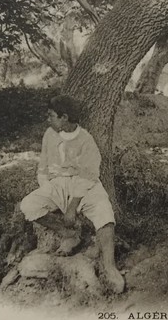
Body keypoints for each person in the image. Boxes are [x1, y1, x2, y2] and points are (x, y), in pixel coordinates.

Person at [19, 95, 125, 294]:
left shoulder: (85, 140)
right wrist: (47, 189)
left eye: (51, 115)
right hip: (57, 183)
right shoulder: (50, 134)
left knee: (105, 213)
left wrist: (71, 207)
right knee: (28, 206)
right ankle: (68, 234)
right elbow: (43, 165)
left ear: (64, 117)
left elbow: (89, 174)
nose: (47, 119)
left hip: (85, 184)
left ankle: (110, 266)